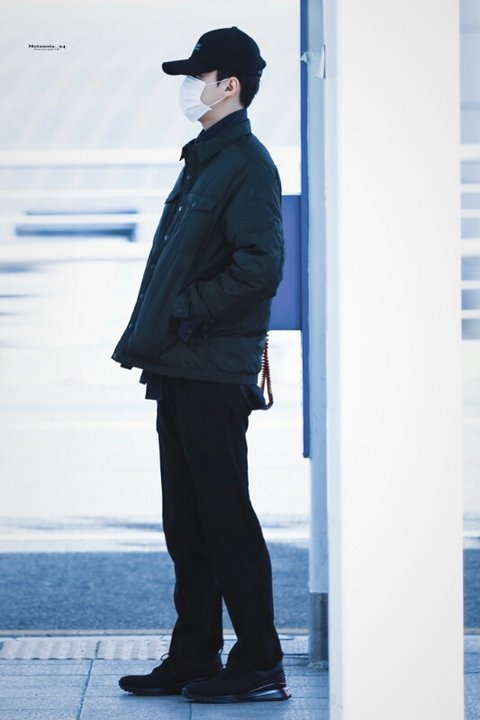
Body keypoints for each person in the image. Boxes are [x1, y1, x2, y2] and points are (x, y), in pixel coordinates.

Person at [112, 26, 289, 704]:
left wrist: (186, 309)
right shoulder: (207, 159)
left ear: (229, 85)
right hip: (181, 364)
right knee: (186, 522)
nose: (189, 87)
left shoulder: (246, 162)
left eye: (198, 76)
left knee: (225, 519)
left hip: (212, 367)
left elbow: (260, 266)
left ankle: (260, 662)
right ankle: (193, 656)